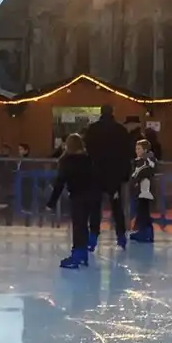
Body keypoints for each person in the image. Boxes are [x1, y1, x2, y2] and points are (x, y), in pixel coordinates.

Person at [83, 104, 134, 249]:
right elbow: (127, 154)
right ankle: (121, 236)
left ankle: (93, 237)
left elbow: (87, 151)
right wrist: (124, 175)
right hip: (115, 175)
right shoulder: (120, 130)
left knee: (95, 206)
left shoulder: (93, 130)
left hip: (96, 174)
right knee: (117, 207)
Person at [45, 133, 96, 268]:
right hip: (92, 195)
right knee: (84, 225)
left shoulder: (66, 161)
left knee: (78, 226)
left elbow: (60, 182)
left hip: (78, 196)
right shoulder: (88, 158)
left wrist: (51, 202)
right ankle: (83, 254)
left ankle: (77, 256)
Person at [129, 138, 157, 243]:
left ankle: (146, 234)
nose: (137, 151)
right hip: (141, 191)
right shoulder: (140, 161)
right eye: (136, 148)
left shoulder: (147, 160)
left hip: (145, 191)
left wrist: (135, 179)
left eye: (139, 148)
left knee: (143, 213)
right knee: (142, 213)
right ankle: (144, 232)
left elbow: (142, 172)